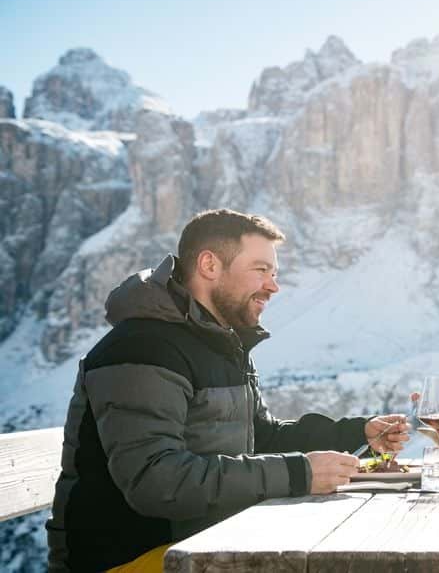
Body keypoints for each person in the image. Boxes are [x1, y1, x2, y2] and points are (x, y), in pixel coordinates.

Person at [46, 209, 410, 572]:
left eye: (274, 273)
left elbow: (262, 438)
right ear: (209, 265)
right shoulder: (142, 347)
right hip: (132, 559)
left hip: (204, 542)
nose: (273, 286)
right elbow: (156, 481)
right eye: (260, 270)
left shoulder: (219, 343)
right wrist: (300, 473)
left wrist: (355, 433)